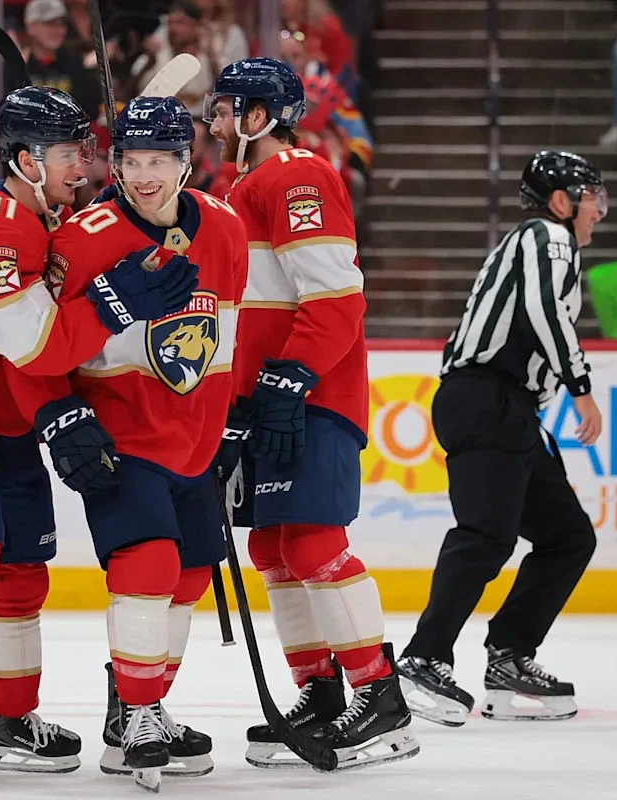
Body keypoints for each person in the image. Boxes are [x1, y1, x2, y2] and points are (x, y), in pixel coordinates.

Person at [0, 84, 198, 789]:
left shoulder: (35, 215)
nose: (82, 166)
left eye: (85, 152)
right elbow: (36, 346)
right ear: (26, 161)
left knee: (23, 566)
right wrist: (115, 300)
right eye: (67, 154)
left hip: (3, 407)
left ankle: (6, 719)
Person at [205, 57, 419, 771]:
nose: (214, 121)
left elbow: (335, 298)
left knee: (313, 544)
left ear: (259, 116)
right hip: (269, 397)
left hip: (310, 396)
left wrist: (290, 377)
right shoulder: (241, 187)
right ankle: (321, 692)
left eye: (225, 108)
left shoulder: (297, 175)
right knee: (273, 549)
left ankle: (380, 697)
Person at [47, 95, 247, 792]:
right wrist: (61, 414)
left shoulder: (224, 227)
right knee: (149, 563)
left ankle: (145, 704)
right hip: (121, 437)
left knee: (190, 576)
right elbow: (45, 344)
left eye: (159, 161)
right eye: (131, 161)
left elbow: (227, 332)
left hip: (195, 440)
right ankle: (135, 716)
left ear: (187, 162)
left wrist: (231, 422)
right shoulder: (83, 238)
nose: (143, 176)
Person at [395, 151, 603, 725]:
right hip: (488, 400)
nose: (598, 211)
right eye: (592, 198)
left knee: (567, 536)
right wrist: (580, 387)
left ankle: (509, 654)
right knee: (486, 535)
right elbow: (544, 313)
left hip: (506, 408)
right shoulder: (548, 236)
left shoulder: (541, 243)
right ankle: (422, 658)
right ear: (560, 201)